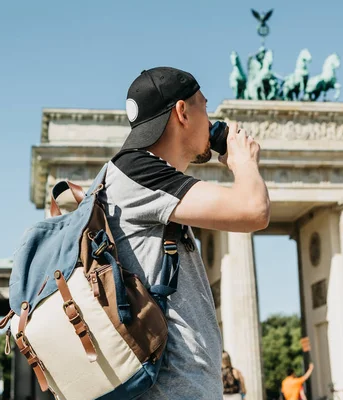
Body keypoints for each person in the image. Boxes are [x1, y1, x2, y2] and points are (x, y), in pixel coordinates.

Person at [101, 67, 270, 400]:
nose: (211, 121)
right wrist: (244, 160)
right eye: (204, 108)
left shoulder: (150, 179)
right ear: (182, 112)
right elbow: (254, 210)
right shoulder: (136, 170)